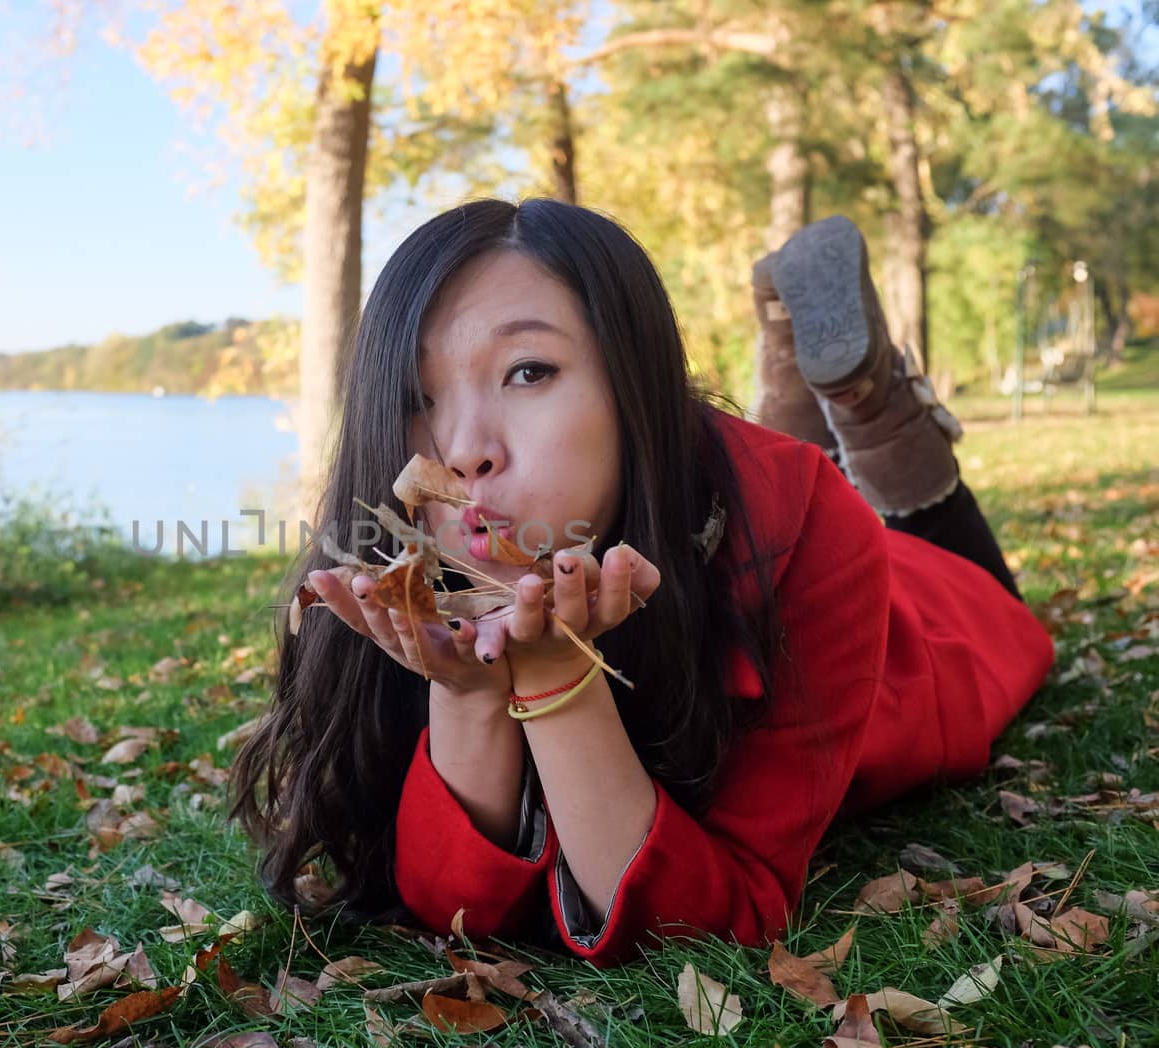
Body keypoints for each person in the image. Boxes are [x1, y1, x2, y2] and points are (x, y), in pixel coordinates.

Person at [230, 199, 1053, 964]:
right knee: (772, 467)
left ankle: (869, 406)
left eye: (528, 371)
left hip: (919, 620)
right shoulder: (409, 575)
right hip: (698, 487)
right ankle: (794, 383)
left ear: (631, 380)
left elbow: (715, 921)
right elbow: (453, 912)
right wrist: (471, 694)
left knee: (939, 547)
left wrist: (558, 682)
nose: (462, 450)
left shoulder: (814, 530)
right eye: (419, 395)